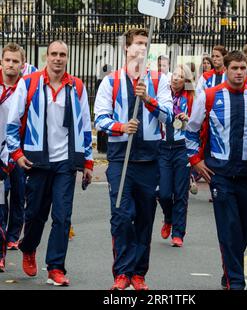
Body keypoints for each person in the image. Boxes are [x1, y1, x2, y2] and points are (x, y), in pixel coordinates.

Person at [6, 40, 93, 286]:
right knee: (34, 214)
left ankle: (56, 268)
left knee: (63, 216)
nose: (57, 58)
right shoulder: (30, 83)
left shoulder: (76, 86)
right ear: (47, 57)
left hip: (66, 162)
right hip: (36, 161)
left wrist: (87, 161)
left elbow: (85, 126)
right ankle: (29, 247)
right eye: (53, 54)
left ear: (67, 57)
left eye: (62, 54)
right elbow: (13, 123)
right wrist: (17, 154)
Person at [94, 28, 172, 291]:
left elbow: (168, 116)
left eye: (145, 44)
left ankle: (139, 273)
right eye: (137, 44)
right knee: (121, 216)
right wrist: (120, 127)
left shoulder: (159, 80)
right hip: (119, 160)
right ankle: (122, 272)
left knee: (145, 218)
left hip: (149, 161)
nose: (141, 48)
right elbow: (100, 119)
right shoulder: (111, 81)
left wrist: (147, 99)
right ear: (126, 48)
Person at [186, 50, 247, 290]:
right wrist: (195, 160)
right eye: (235, 69)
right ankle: (235, 282)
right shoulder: (209, 96)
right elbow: (191, 130)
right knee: (229, 229)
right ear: (226, 70)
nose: (240, 73)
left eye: (243, 69)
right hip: (220, 175)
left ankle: (229, 268)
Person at [159, 64, 194, 247]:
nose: (176, 79)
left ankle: (178, 232)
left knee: (180, 193)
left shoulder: (191, 98)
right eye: (174, 75)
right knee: (163, 192)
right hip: (163, 147)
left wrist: (187, 120)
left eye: (181, 77)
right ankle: (168, 217)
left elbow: (197, 125)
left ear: (186, 81)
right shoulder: (162, 94)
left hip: (182, 148)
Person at [0, 43, 25, 270]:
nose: (11, 64)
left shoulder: (25, 87)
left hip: (18, 150)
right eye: (7, 60)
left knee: (18, 193)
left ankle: (13, 235)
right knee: (2, 195)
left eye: (15, 61)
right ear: (1, 62)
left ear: (22, 65)